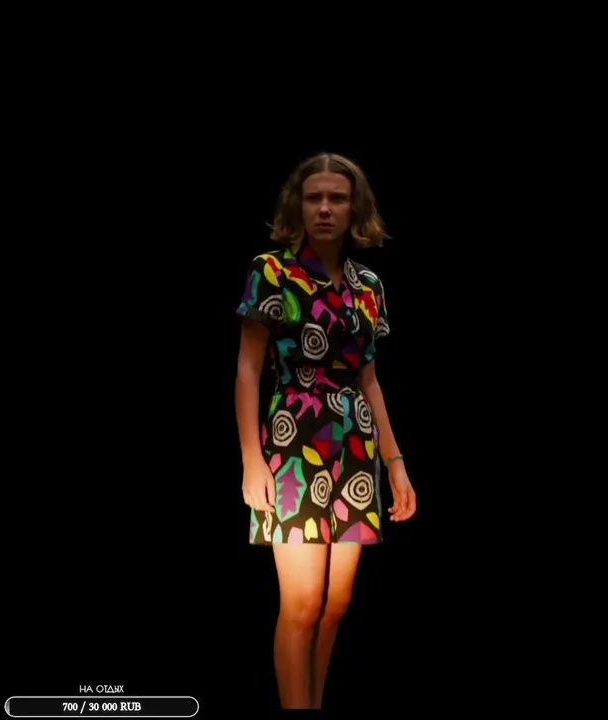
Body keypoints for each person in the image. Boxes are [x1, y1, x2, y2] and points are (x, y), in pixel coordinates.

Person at [234, 152, 417, 710]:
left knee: (336, 603)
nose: (324, 208)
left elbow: (370, 380)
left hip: (355, 445)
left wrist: (396, 463)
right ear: (299, 205)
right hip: (293, 440)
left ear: (354, 208)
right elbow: (247, 369)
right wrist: (251, 460)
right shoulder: (273, 271)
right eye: (314, 197)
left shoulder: (368, 285)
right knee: (303, 602)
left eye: (337, 198)